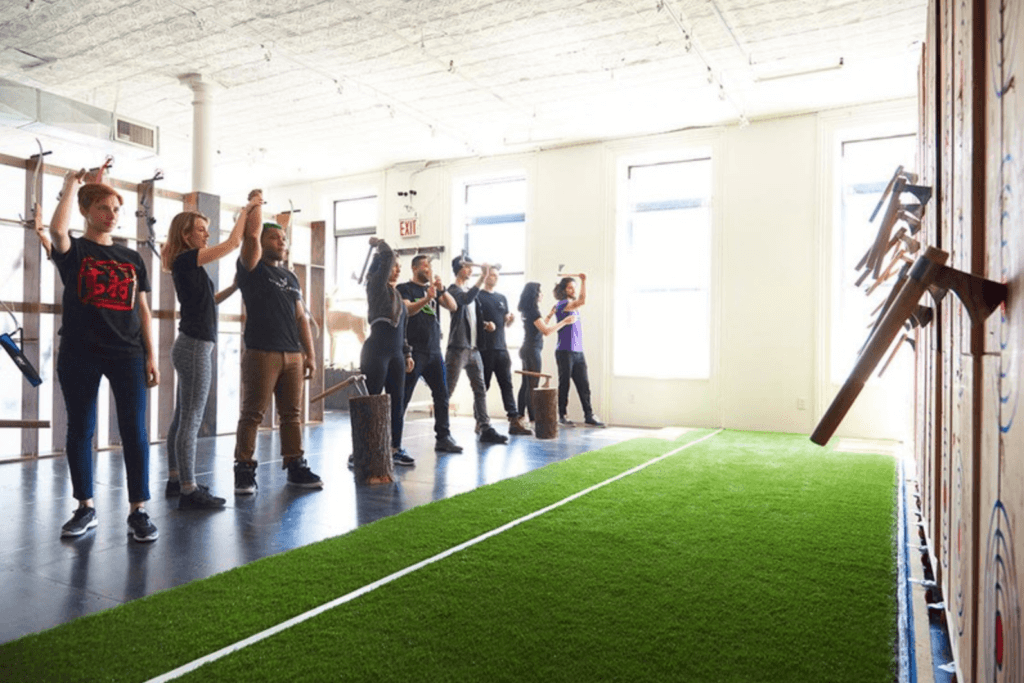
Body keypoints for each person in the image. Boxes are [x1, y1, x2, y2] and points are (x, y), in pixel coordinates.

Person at [49, 168, 160, 542]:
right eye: (103, 207)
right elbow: (57, 232)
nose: (111, 214)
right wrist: (70, 187)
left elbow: (142, 309)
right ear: (86, 211)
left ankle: (138, 511)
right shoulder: (75, 251)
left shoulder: (132, 257)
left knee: (135, 431)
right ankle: (86, 507)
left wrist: (151, 355)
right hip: (79, 352)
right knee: (80, 429)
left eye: (115, 208)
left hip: (127, 353)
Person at [160, 197, 257, 509]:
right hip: (194, 348)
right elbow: (232, 243)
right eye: (200, 230)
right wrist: (246, 209)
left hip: (190, 345)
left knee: (181, 418)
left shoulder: (188, 265)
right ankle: (189, 491)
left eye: (205, 230)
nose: (205, 235)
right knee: (190, 420)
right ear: (186, 235)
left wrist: (232, 288)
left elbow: (205, 303)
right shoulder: (187, 260)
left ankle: (176, 479)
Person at [233, 205, 321, 494]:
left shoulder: (291, 278)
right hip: (262, 352)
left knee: (292, 415)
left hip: (292, 355)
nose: (282, 242)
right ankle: (244, 469)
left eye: (284, 238)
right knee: (253, 414)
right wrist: (255, 205)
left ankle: (295, 465)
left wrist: (310, 354)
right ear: (261, 241)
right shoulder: (251, 268)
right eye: (275, 237)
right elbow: (249, 239)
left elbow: (301, 318)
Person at [397, 255, 463, 453]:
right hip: (414, 351)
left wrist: (440, 289)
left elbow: (453, 306)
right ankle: (394, 441)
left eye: (430, 266)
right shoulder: (404, 288)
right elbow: (407, 310)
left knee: (442, 395)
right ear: (414, 267)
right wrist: (427, 298)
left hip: (434, 350)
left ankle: (443, 437)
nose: (428, 269)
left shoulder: (432, 290)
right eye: (425, 265)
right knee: (403, 396)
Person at [359, 237, 416, 466]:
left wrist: (407, 353)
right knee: (371, 402)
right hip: (376, 352)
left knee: (397, 403)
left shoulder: (398, 297)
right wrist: (382, 242)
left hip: (396, 355)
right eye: (394, 267)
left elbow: (403, 329)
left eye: (399, 269)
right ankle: (362, 450)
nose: (397, 271)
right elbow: (388, 255)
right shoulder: (375, 286)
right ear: (383, 267)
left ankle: (395, 447)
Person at [445, 257, 508, 444]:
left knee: (480, 389)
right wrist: (483, 277)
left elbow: (470, 317)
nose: (470, 270)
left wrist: (484, 324)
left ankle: (485, 427)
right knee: (447, 390)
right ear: (459, 269)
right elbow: (465, 300)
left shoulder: (470, 292)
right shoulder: (453, 290)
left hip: (474, 349)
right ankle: (443, 432)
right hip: (458, 348)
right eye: (467, 267)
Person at [478, 269, 532, 435]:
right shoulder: (477, 296)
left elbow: (505, 325)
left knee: (507, 385)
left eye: (496, 275)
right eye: (492, 274)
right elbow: (472, 321)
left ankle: (514, 420)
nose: (495, 277)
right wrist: (485, 324)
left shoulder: (502, 298)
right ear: (484, 276)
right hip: (485, 349)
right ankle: (480, 420)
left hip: (502, 348)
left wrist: (510, 320)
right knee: (483, 386)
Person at [516, 282, 577, 423]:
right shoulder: (533, 311)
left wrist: (549, 315)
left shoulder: (527, 310)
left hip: (527, 349)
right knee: (533, 385)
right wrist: (565, 322)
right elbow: (547, 331)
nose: (542, 294)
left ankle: (520, 414)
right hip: (532, 351)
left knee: (526, 384)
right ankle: (532, 417)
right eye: (540, 292)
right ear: (535, 294)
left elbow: (539, 327)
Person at [551, 275, 604, 427]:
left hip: (578, 352)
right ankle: (562, 415)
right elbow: (582, 300)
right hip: (564, 351)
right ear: (563, 290)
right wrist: (584, 281)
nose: (573, 290)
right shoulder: (562, 304)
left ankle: (589, 415)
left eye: (574, 287)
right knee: (564, 384)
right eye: (570, 287)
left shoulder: (573, 306)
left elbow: (580, 301)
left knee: (584, 385)